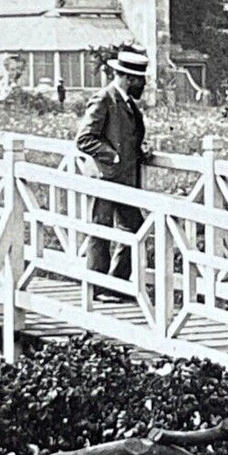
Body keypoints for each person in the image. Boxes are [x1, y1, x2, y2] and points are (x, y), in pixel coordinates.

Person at [75, 45, 152, 301]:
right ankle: (98, 288)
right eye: (140, 79)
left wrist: (140, 151)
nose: (143, 84)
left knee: (135, 228)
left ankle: (116, 285)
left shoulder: (128, 103)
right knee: (102, 229)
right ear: (128, 78)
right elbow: (85, 139)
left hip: (125, 180)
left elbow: (126, 136)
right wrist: (112, 155)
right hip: (106, 178)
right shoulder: (104, 99)